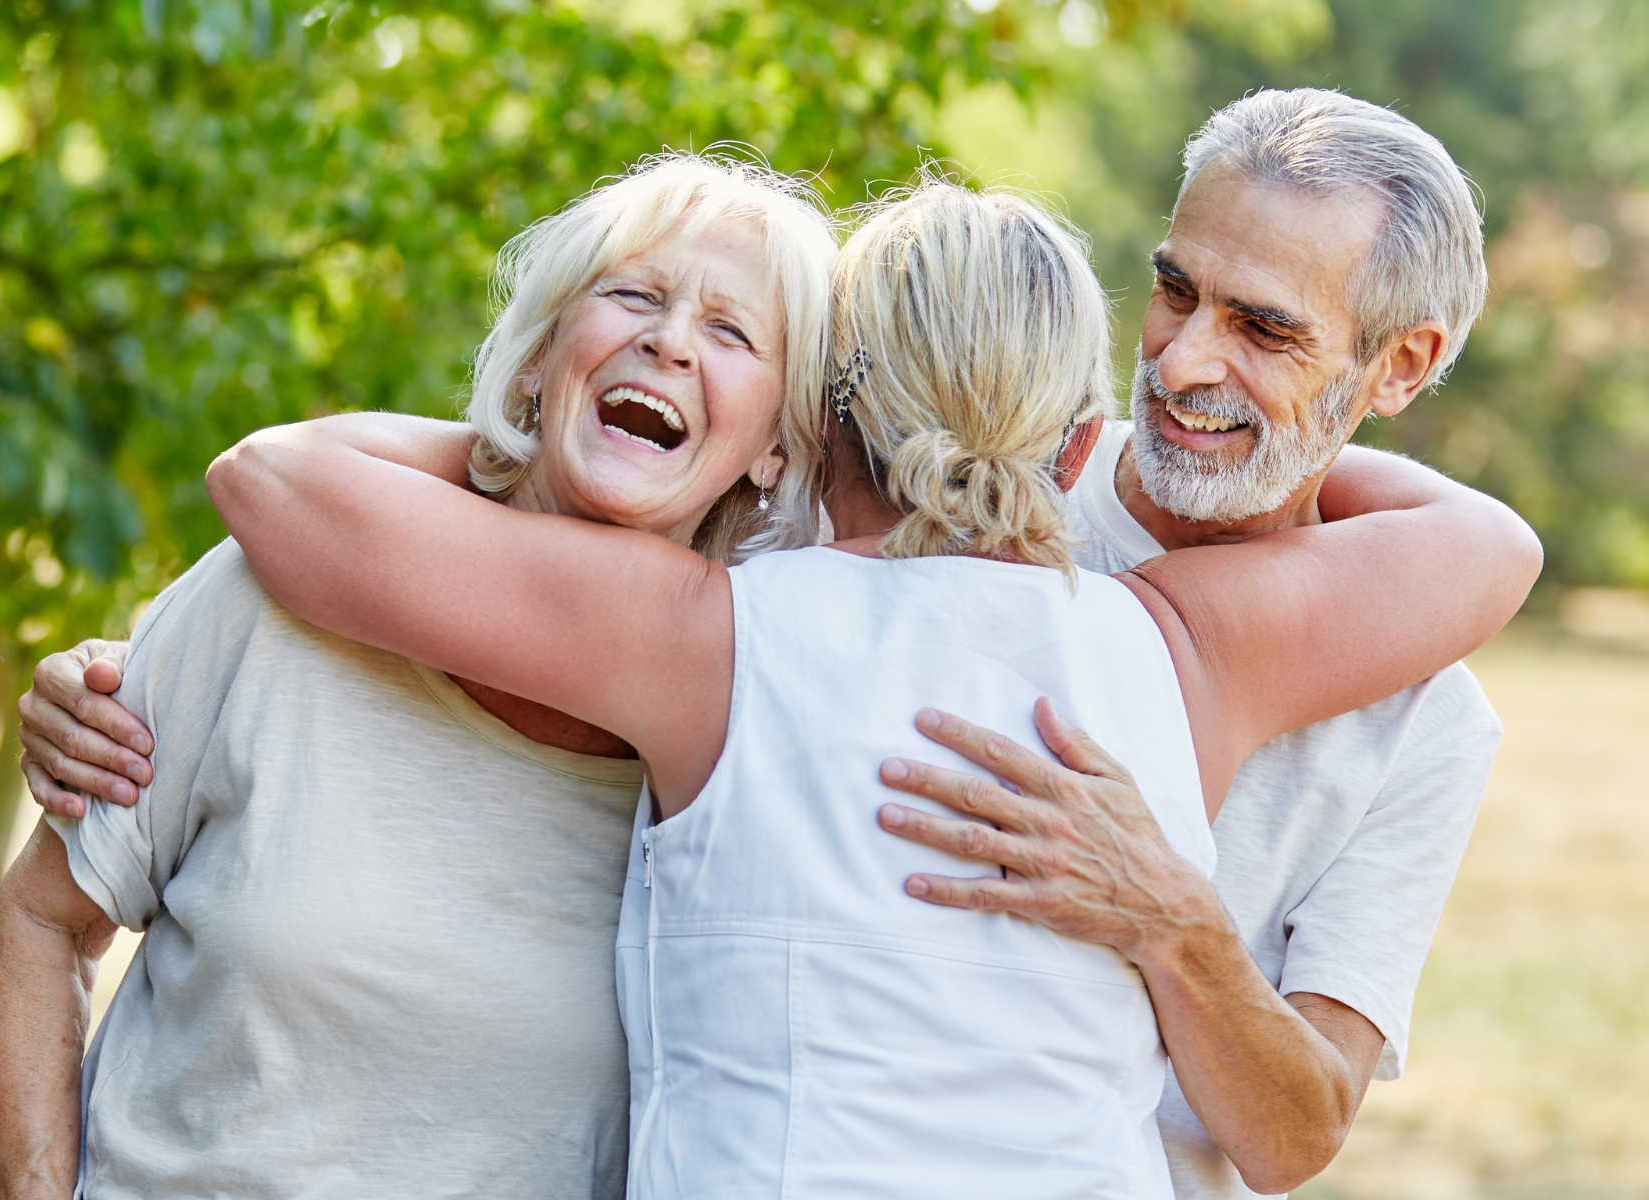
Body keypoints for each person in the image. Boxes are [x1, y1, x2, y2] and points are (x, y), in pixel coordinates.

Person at [199, 182, 1539, 1198]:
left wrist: (525, 416)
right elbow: (1490, 548)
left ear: (812, 424)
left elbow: (274, 481)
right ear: (1084, 443)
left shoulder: (695, 638)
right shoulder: (1191, 650)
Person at [0, 153, 840, 1200]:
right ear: (536, 359)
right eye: (633, 295)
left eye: (731, 332)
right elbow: (44, 919)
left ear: (775, 453)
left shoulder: (750, 741)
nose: (669, 340)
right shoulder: (271, 594)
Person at [873, 89, 1503, 1199]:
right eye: (1175, 291)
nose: (1181, 363)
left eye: (1263, 328)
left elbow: (1293, 1138)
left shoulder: (1427, 723)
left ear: (1399, 367)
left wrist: (1174, 921)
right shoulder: (962, 485)